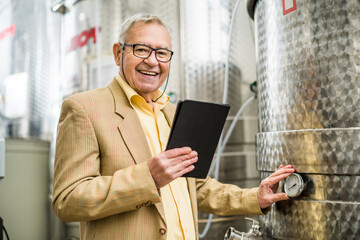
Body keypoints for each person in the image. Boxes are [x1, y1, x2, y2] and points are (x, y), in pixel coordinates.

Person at [52, 13, 295, 240]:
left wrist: (254, 197)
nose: (152, 61)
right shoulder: (84, 108)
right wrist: (147, 177)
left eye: (162, 53)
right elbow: (68, 199)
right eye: (141, 49)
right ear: (118, 53)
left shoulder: (172, 112)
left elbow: (194, 187)